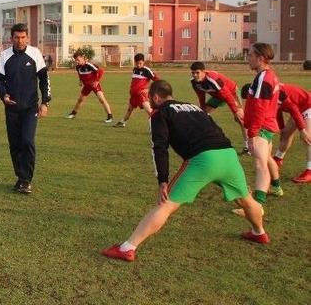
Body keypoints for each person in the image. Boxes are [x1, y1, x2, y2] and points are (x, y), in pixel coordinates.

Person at [101, 80, 269, 262]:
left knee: (166, 205)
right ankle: (259, 232)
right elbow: (215, 128)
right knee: (246, 199)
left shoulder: (160, 113)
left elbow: (159, 148)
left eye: (150, 98)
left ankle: (127, 247)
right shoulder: (194, 107)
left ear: (156, 97)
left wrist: (162, 180)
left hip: (203, 160)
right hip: (228, 155)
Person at [0, 23, 50, 194]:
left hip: (30, 108)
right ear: (11, 38)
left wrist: (45, 102)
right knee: (15, 145)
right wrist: (4, 95)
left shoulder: (35, 54)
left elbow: (44, 80)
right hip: (11, 109)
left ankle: (26, 180)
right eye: (17, 37)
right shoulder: (4, 56)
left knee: (27, 141)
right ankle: (20, 177)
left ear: (27, 37)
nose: (20, 40)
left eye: (23, 37)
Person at [241, 43, 283, 207]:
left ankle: (257, 206)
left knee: (260, 164)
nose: (248, 58)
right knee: (266, 159)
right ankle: (276, 187)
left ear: (260, 58)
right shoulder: (268, 76)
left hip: (262, 127)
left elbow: (260, 107)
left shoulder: (264, 78)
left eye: (250, 55)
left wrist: (252, 134)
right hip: (267, 125)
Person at [189, 62, 246, 154]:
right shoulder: (194, 82)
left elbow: (227, 95)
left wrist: (235, 111)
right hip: (217, 97)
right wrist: (203, 109)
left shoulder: (213, 79)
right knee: (202, 116)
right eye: (193, 73)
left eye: (197, 72)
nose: (195, 75)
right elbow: (201, 95)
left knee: (240, 119)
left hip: (231, 93)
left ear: (203, 71)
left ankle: (248, 146)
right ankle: (205, 142)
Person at [270, 83, 311, 183]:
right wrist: (281, 127)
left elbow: (293, 109)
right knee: (285, 134)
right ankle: (278, 159)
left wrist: (302, 130)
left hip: (308, 105)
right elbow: (277, 109)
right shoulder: (269, 91)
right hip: (298, 108)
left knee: (307, 138)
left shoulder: (274, 91)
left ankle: (310, 171)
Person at [65, 51, 113, 123]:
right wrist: (80, 80)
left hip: (94, 85)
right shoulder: (78, 67)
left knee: (102, 99)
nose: (77, 61)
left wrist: (96, 81)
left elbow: (100, 71)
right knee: (80, 100)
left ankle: (110, 117)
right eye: (76, 60)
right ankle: (73, 114)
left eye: (78, 59)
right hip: (86, 86)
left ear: (82, 58)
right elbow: (80, 74)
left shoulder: (89, 65)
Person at [113, 53, 157, 128]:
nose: (138, 65)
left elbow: (157, 80)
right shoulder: (135, 69)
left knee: (149, 111)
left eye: (140, 63)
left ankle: (157, 127)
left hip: (141, 95)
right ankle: (122, 122)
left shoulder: (146, 70)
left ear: (144, 62)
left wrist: (148, 90)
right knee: (129, 110)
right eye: (137, 63)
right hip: (134, 95)